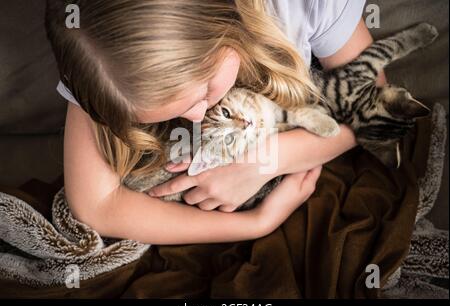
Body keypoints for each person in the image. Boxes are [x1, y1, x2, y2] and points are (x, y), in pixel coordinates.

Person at [45, 0, 385, 245]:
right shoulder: (95, 49)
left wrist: (264, 162)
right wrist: (255, 224)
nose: (194, 117)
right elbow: (95, 206)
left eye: (204, 93)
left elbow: (375, 105)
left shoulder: (304, 6)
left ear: (222, 24)